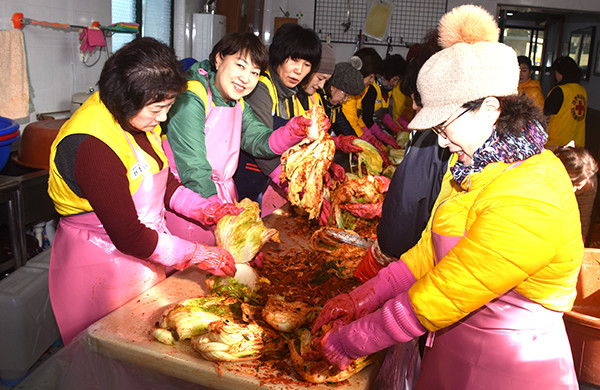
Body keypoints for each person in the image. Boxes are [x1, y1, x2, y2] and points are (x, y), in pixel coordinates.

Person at [311, 5, 582, 389]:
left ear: (490, 110)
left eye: (444, 125)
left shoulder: (534, 193)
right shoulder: (475, 169)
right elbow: (429, 254)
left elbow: (446, 292)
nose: (440, 141)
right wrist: (363, 297)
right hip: (451, 354)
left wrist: (355, 338)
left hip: (512, 369)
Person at [47, 38, 243, 345]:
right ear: (126, 99)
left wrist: (204, 208)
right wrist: (195, 253)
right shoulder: (92, 146)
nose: (163, 118)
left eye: (167, 107)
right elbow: (129, 235)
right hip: (99, 266)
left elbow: (160, 181)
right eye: (158, 109)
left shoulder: (139, 119)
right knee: (107, 356)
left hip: (142, 258)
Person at [163, 32, 313, 244]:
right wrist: (223, 220)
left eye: (254, 72)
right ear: (219, 59)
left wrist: (293, 131)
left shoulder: (237, 102)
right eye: (240, 66)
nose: (246, 78)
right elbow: (194, 168)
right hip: (192, 202)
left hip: (223, 198)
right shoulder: (192, 97)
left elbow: (259, 140)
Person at [353, 28, 452, 282]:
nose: (415, 107)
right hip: (423, 251)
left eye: (415, 99)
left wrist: (385, 249)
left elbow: (409, 201)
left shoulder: (433, 134)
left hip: (413, 252)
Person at [233, 23, 321, 203]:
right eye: (294, 60)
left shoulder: (289, 93)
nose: (299, 70)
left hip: (260, 180)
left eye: (306, 64)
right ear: (279, 56)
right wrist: (288, 183)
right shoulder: (261, 88)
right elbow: (261, 146)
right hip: (243, 178)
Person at [555, 145, 598, 243]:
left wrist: (580, 240)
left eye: (578, 187)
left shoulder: (589, 184)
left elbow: (583, 217)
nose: (573, 190)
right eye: (572, 183)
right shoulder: (542, 175)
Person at [544, 56, 587, 148]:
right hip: (577, 144)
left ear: (560, 73)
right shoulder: (582, 90)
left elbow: (545, 115)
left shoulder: (560, 91)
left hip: (557, 145)